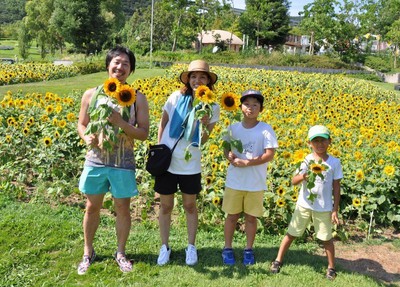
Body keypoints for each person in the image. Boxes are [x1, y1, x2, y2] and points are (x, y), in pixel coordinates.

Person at [76, 46, 149, 274]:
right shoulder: (91, 94)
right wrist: (85, 135)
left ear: (132, 70)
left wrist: (121, 124)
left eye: (125, 64)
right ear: (108, 65)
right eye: (116, 62)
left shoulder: (138, 98)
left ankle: (120, 252)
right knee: (91, 207)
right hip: (96, 160)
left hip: (122, 163)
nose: (120, 67)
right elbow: (82, 123)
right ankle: (88, 252)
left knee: (122, 208)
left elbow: (144, 133)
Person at [155, 60, 220, 266]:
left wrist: (204, 125)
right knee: (165, 206)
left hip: (190, 163)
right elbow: (163, 122)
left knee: (190, 206)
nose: (197, 80)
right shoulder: (176, 97)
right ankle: (164, 246)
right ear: (188, 79)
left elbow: (206, 137)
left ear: (208, 81)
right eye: (193, 76)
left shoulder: (213, 105)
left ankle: (191, 247)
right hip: (168, 160)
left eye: (202, 77)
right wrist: (159, 148)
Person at [270, 125, 343, 280]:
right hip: (304, 204)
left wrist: (335, 209)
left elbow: (336, 187)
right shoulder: (306, 160)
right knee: (291, 234)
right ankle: (277, 260)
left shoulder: (334, 163)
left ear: (329, 141)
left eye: (323, 140)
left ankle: (331, 267)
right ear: (309, 143)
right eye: (315, 141)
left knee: (326, 238)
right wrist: (304, 175)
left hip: (323, 207)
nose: (319, 144)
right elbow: (294, 181)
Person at [221, 89, 278, 266]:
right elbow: (225, 148)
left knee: (251, 218)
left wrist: (249, 162)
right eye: (247, 104)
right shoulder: (233, 127)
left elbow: (270, 154)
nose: (250, 108)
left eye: (255, 105)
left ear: (261, 109)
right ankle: (227, 248)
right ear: (240, 107)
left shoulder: (265, 130)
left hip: (255, 182)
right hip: (235, 181)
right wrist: (229, 156)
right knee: (231, 216)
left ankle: (248, 249)